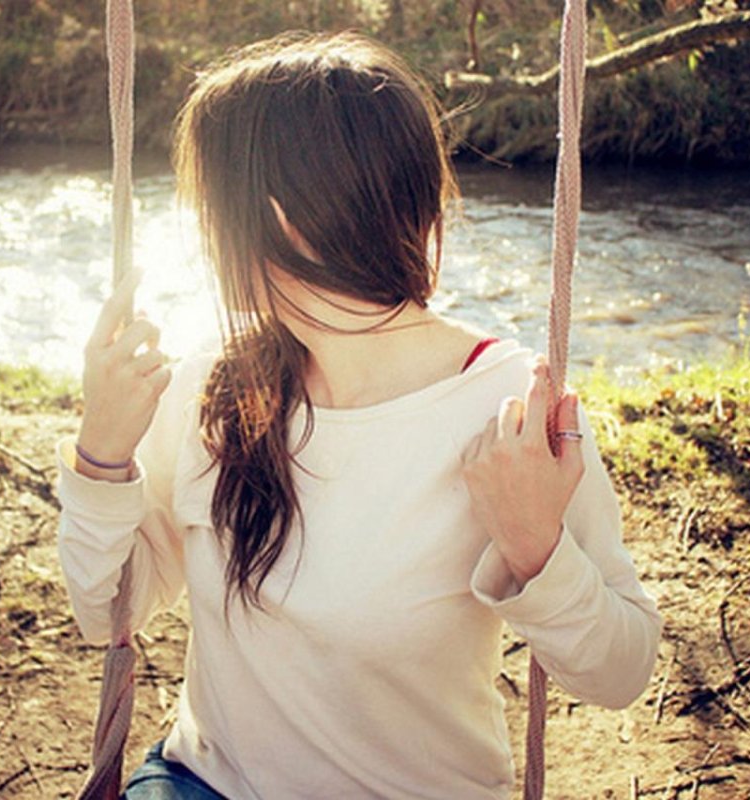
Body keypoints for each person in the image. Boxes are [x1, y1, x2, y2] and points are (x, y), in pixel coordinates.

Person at [57, 31, 661, 800]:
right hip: (202, 782)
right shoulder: (213, 382)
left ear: (278, 218)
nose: (204, 233)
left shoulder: (509, 410)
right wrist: (103, 457)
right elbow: (107, 611)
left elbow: (621, 671)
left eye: (210, 206)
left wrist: (538, 550)